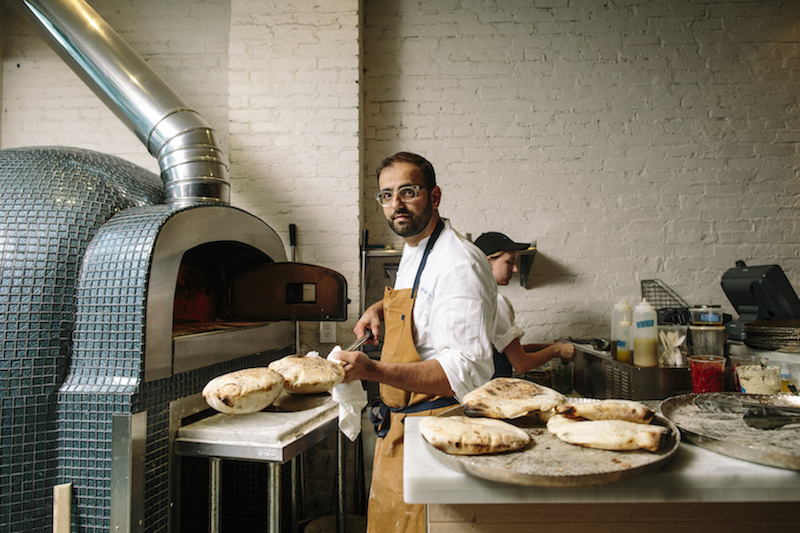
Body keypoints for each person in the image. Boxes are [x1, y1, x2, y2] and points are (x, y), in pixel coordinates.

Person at [336, 152, 497, 533]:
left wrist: (372, 371)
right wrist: (379, 309)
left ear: (434, 196)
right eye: (387, 195)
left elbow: (465, 371)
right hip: (402, 429)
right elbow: (421, 301)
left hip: (437, 433)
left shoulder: (460, 264)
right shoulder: (414, 249)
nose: (397, 205)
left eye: (408, 192)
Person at [473, 231, 574, 377]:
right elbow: (522, 364)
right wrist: (555, 351)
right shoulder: (496, 302)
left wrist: (552, 346)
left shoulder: (476, 297)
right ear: (489, 262)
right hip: (493, 389)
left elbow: (510, 349)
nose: (515, 269)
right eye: (509, 262)